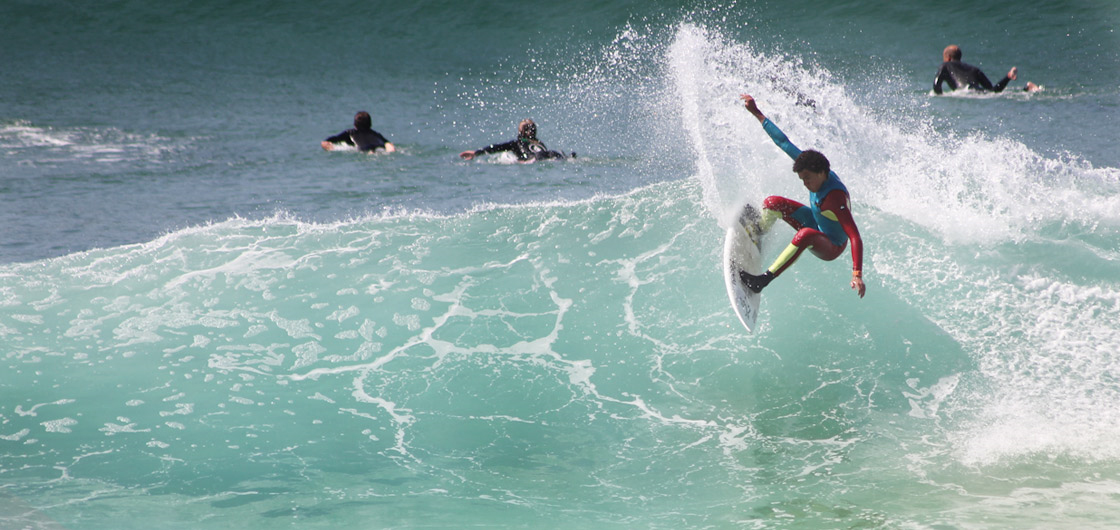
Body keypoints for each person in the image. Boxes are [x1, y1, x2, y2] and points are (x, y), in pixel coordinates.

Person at [738, 94, 866, 298]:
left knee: (806, 234)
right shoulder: (812, 166)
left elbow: (854, 236)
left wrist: (857, 274)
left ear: (821, 172)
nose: (805, 183)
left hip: (831, 245)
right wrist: (756, 113)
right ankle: (760, 229)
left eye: (807, 178)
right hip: (816, 222)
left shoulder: (835, 198)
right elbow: (783, 141)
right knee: (772, 203)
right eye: (801, 179)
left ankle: (762, 280)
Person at [933, 45, 1038, 94]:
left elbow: (936, 86)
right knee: (992, 91)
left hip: (967, 92)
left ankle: (1019, 83)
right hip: (977, 91)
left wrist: (941, 97)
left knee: (991, 93)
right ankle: (1015, 81)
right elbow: (992, 89)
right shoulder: (974, 69)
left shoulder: (945, 65)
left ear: (948, 58)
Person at [459, 119, 569, 162]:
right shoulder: (539, 143)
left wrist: (476, 153)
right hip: (550, 154)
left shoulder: (515, 143)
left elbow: (496, 147)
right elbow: (496, 147)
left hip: (532, 160)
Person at [321, 111, 396, 153]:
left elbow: (334, 139)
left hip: (365, 149)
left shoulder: (350, 132)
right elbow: (388, 143)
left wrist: (325, 142)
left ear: (355, 124)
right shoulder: (376, 134)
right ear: (370, 124)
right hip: (380, 147)